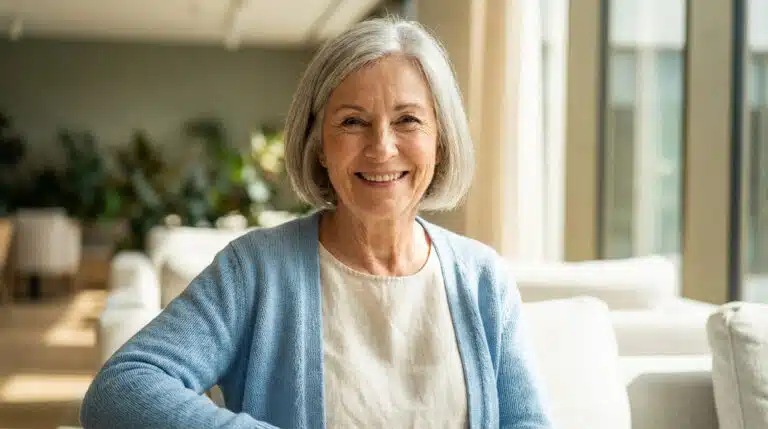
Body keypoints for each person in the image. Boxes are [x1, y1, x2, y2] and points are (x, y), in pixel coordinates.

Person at [80, 17, 553, 429]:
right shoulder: (256, 271)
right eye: (352, 122)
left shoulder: (483, 279)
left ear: (441, 141)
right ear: (319, 146)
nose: (382, 148)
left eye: (407, 120)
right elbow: (120, 390)